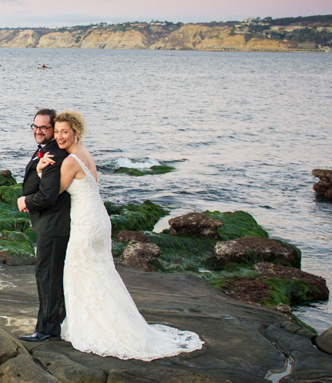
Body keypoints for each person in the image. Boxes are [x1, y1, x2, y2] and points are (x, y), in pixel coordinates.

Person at [35, 110, 203, 360]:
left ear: (75, 132)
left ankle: (99, 328)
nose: (59, 136)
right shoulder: (85, 154)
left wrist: (40, 170)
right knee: (99, 271)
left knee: (80, 270)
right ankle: (109, 321)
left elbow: (53, 192)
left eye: (64, 132)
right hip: (98, 218)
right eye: (56, 131)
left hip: (85, 222)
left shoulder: (70, 161)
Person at [15, 108, 71, 342]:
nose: (38, 131)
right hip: (50, 224)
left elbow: (48, 196)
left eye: (44, 127)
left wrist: (25, 201)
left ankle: (47, 330)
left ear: (53, 128)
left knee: (47, 277)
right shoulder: (45, 152)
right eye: (35, 126)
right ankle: (55, 323)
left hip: (53, 225)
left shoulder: (54, 156)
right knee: (50, 276)